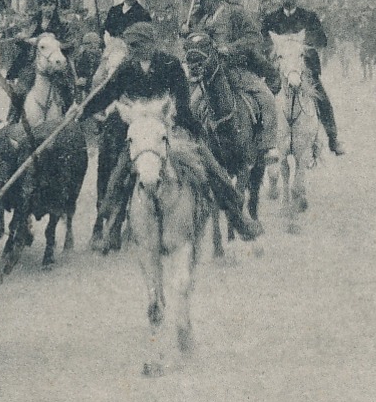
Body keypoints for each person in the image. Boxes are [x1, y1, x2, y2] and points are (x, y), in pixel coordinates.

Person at [74, 22, 263, 251]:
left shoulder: (170, 65)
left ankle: (239, 218)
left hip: (168, 126)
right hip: (138, 129)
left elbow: (183, 105)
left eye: (136, 45)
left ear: (151, 43)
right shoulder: (126, 67)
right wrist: (82, 111)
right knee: (118, 173)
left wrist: (195, 131)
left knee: (212, 168)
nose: (132, 50)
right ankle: (110, 226)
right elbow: (106, 95)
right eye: (130, 45)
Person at [187, 0, 279, 161]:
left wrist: (230, 48)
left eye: (203, 1)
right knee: (191, 104)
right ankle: (193, 144)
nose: (201, 5)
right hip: (210, 74)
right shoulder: (205, 19)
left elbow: (254, 37)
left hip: (237, 71)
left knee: (266, 97)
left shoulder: (236, 13)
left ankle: (268, 146)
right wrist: (188, 33)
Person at [259, 0, 343, 155]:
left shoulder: (309, 17)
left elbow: (322, 39)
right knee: (262, 99)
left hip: (304, 69)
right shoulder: (271, 18)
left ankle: (333, 139)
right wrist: (275, 48)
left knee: (323, 100)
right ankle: (260, 140)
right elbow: (263, 41)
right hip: (279, 69)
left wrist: (302, 44)